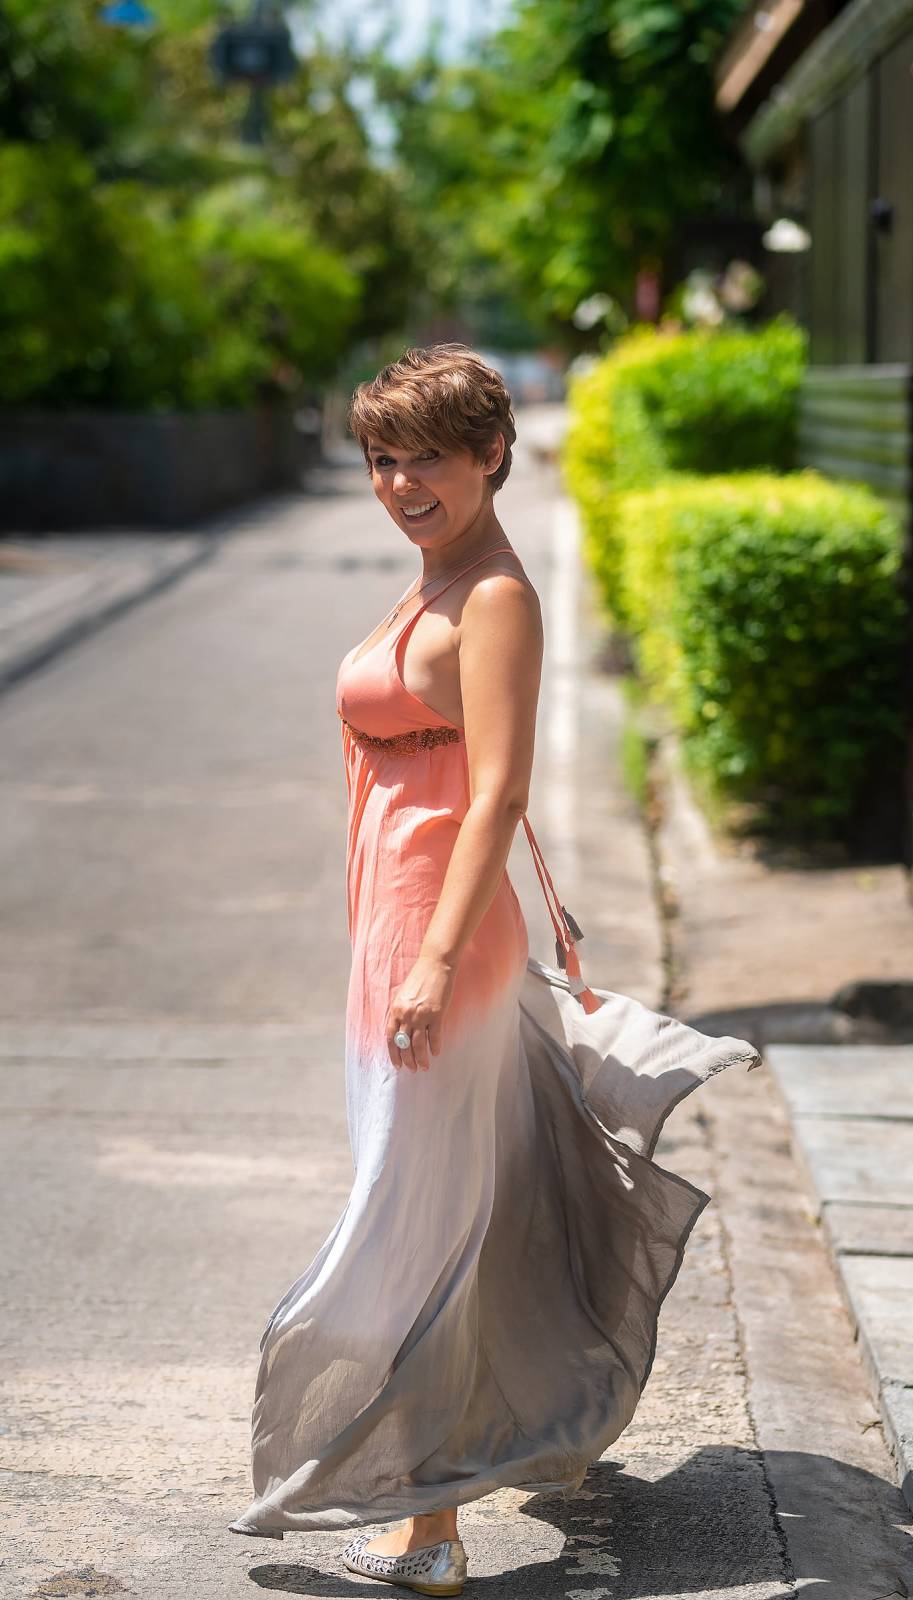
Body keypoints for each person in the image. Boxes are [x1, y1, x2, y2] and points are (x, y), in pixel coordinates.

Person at [226, 343, 761, 1596]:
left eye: (427, 457)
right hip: (393, 937)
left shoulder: (496, 597)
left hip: (438, 947)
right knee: (446, 1207)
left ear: (491, 455)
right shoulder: (434, 579)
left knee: (416, 1228)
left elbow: (499, 792)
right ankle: (499, 1442)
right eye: (381, 457)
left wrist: (433, 961)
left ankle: (427, 1528)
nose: (401, 481)